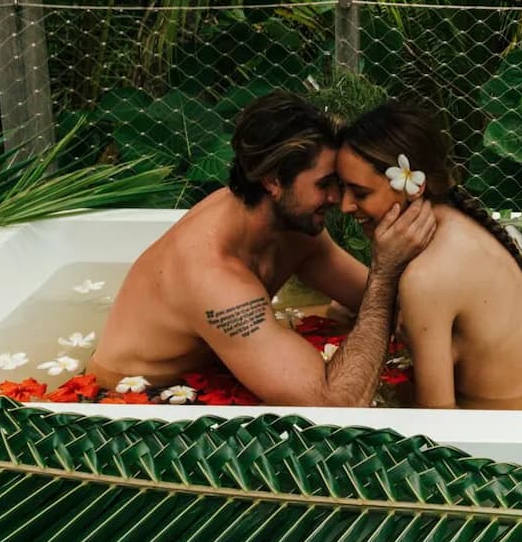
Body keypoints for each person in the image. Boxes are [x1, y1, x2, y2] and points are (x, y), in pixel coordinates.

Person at [89, 91, 436, 406]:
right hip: (135, 402)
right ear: (272, 180)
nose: (337, 199)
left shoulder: (292, 226)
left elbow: (376, 299)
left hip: (211, 374)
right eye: (324, 185)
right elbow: (334, 406)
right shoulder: (211, 274)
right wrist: (385, 271)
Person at [336, 100, 522, 410]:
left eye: (360, 193)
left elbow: (436, 422)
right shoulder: (463, 224)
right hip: (519, 414)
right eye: (342, 189)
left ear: (413, 186)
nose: (345, 206)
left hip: (483, 438)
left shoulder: (426, 278)